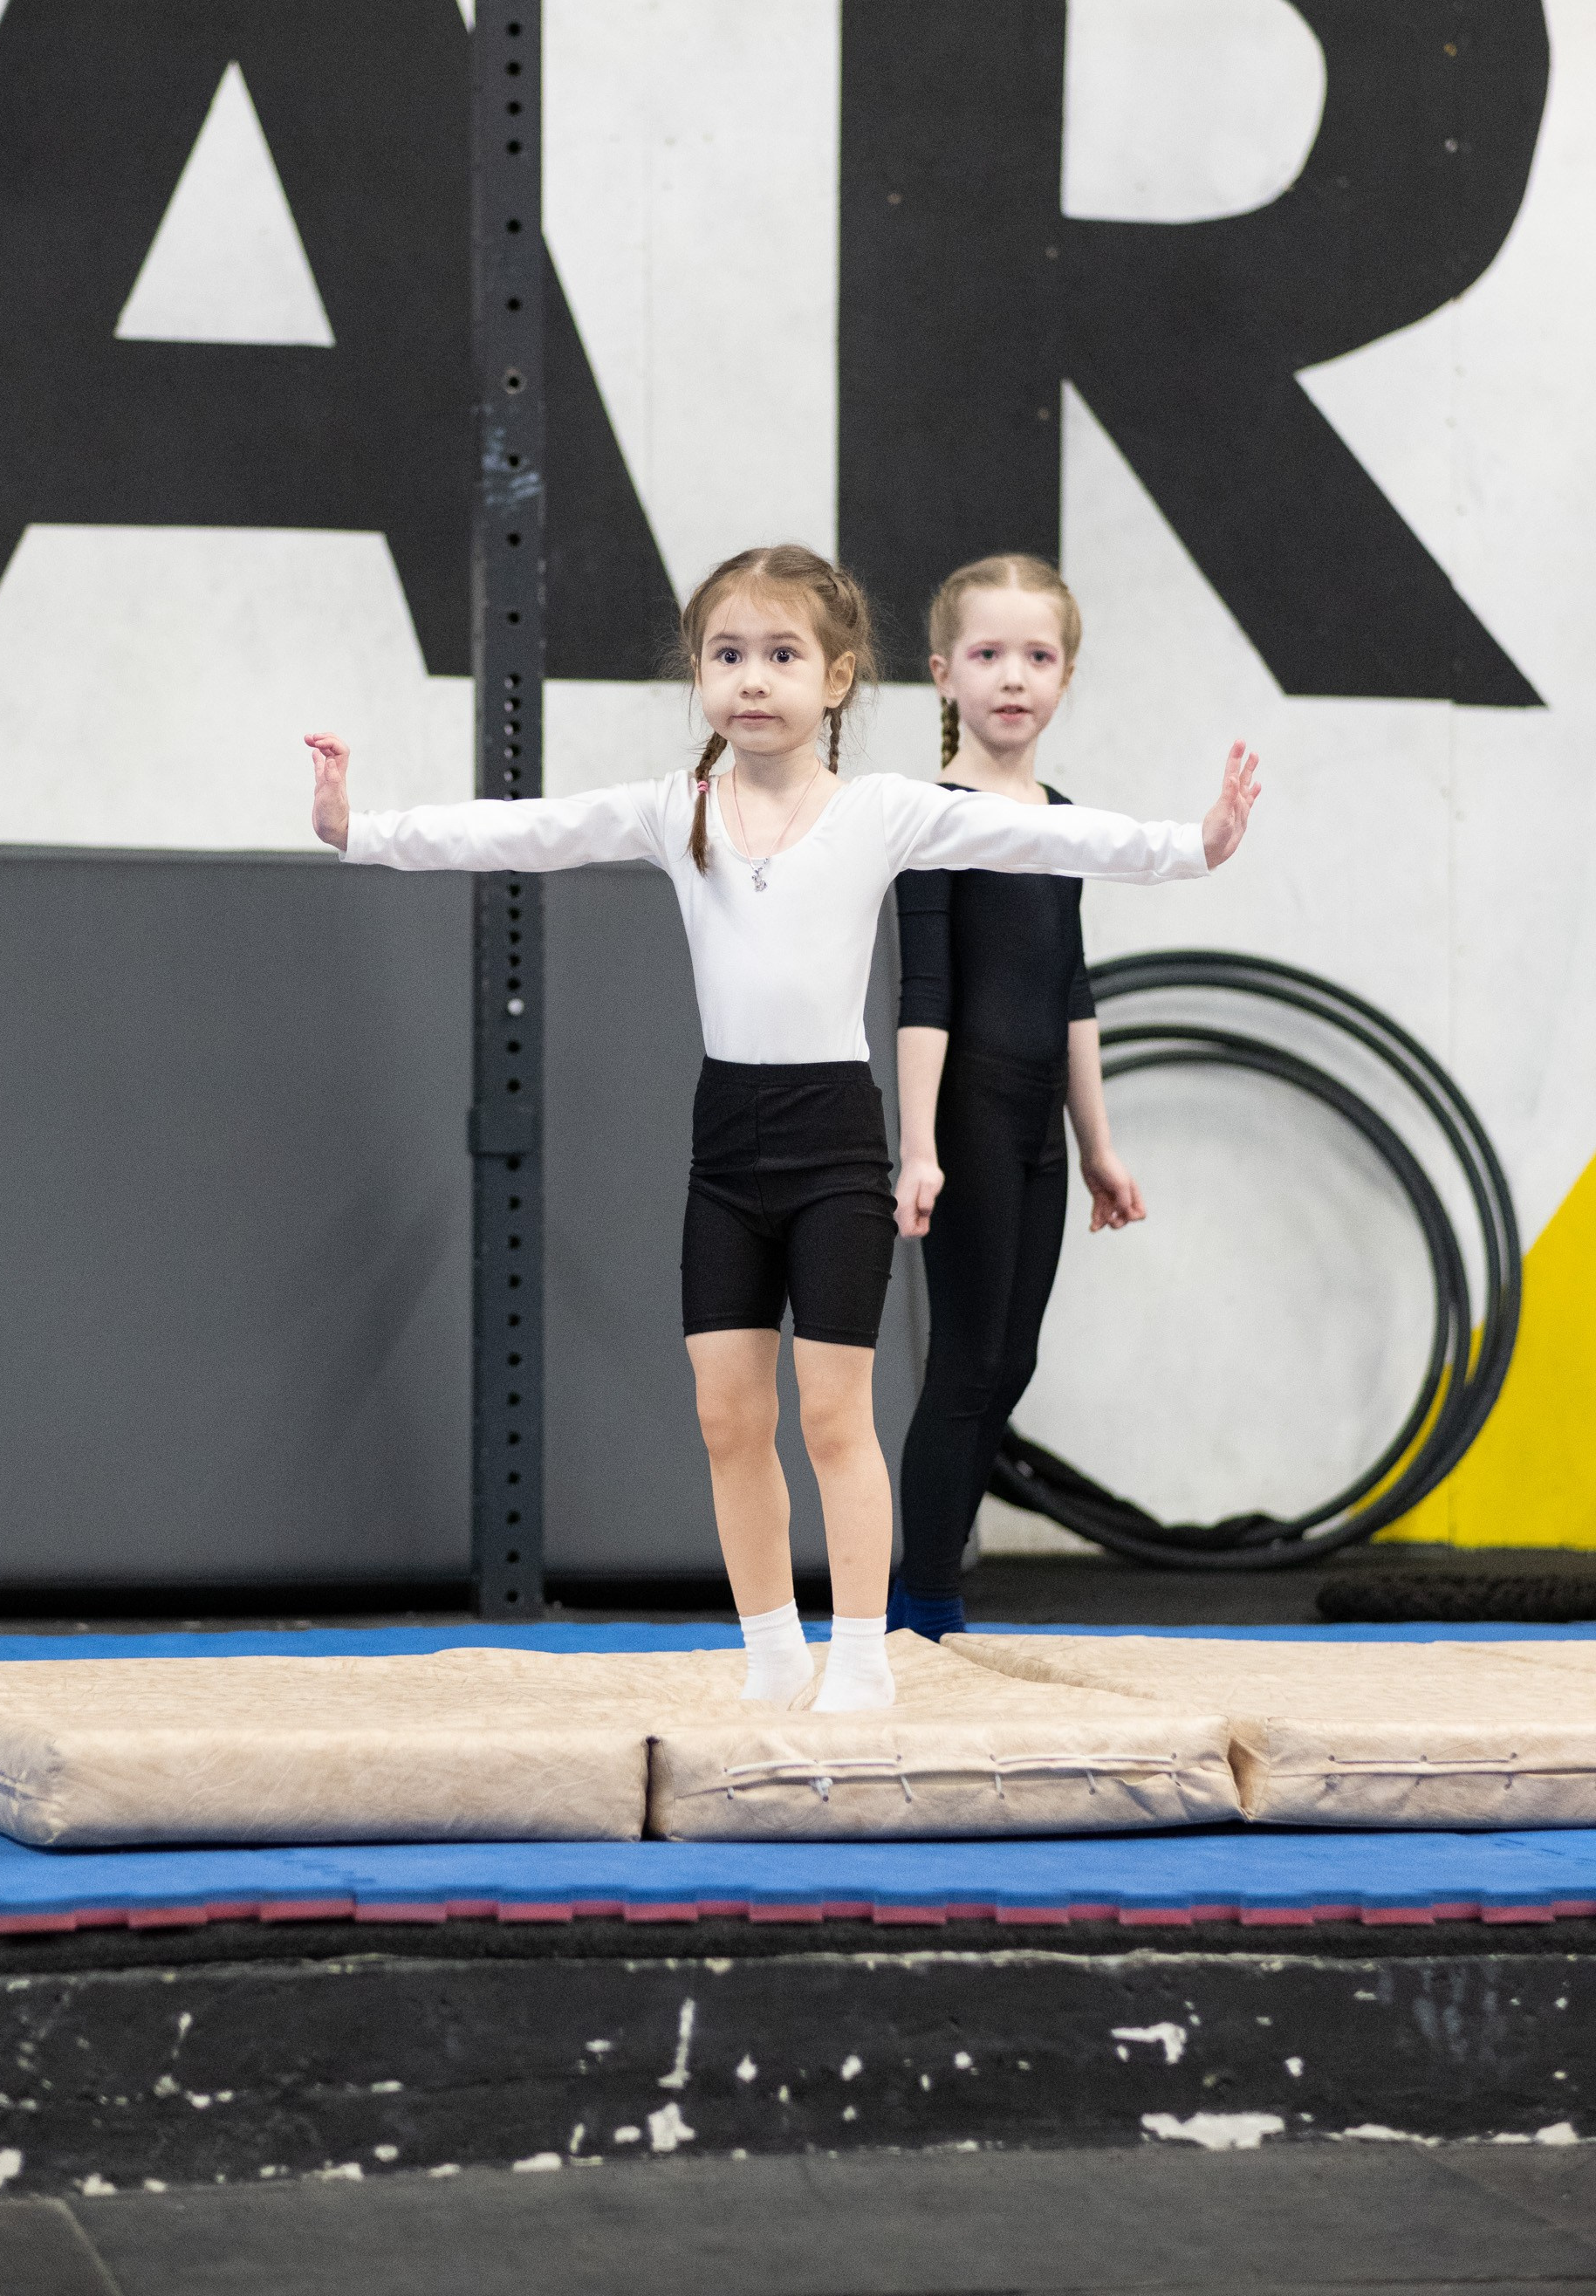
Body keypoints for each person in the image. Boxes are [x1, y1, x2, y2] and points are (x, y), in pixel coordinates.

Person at [306, 545, 1258, 1710]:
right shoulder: (677, 811)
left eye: (781, 655)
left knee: (832, 1415)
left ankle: (860, 1656)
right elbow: (524, 831)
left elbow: (1051, 841)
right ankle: (771, 1651)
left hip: (834, 1149)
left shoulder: (881, 813)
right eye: (727, 655)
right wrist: (359, 829)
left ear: (837, 678)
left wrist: (1192, 844)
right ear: (700, 674)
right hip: (727, 1151)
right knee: (726, 1416)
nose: (752, 678)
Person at [889, 554, 1190, 1641]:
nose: (1011, 676)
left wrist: (1096, 1144)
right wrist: (917, 1145)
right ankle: (921, 1605)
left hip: (1036, 1123)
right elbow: (924, 996)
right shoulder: (927, 819)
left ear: (1064, 676)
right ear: (942, 673)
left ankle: (929, 1593)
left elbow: (1069, 988)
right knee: (966, 1361)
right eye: (986, 654)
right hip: (967, 1109)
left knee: (1008, 1362)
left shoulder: (1062, 820)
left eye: (1037, 656)